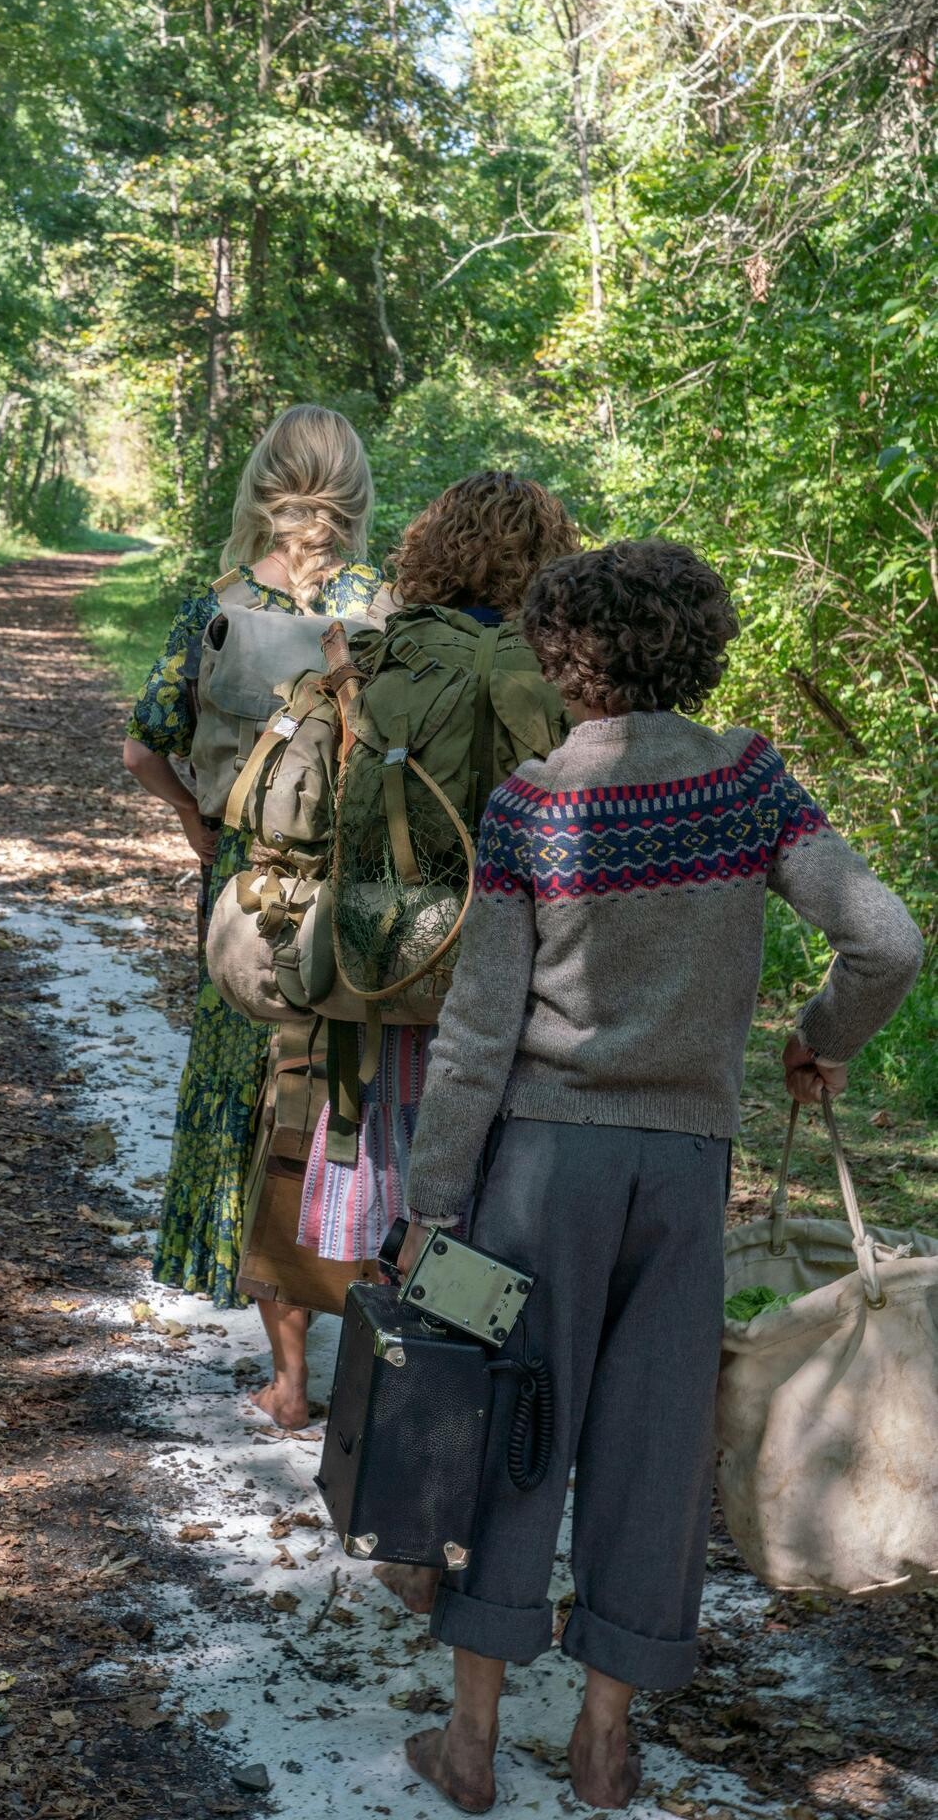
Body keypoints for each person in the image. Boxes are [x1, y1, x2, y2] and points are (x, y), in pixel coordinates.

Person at [392, 539, 923, 1814]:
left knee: (512, 1426)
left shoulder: (529, 803)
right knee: (653, 1444)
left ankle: (469, 1739)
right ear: (697, 646)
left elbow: (476, 1028)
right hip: (683, 1168)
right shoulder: (745, 780)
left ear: (558, 656)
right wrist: (820, 1037)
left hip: (534, 1168)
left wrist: (427, 1202)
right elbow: (885, 940)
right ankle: (602, 1740)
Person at [122, 404, 384, 1424]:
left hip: (246, 890)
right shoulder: (385, 610)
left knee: (255, 1100)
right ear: (353, 493)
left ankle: (288, 1381)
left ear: (262, 486)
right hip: (360, 891)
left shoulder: (218, 607)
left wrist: (197, 822)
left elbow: (144, 746)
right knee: (349, 1105)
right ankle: (372, 1361)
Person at [297, 470, 575, 1266]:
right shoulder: (569, 670)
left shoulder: (386, 658)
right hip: (531, 973)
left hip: (398, 959)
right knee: (506, 1180)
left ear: (435, 549)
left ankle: (392, 1317)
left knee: (400, 1171)